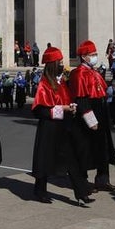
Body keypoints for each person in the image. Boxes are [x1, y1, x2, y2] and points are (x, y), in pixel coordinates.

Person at [30, 46, 92, 206]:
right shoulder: (44, 84)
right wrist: (61, 109)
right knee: (44, 160)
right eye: (60, 62)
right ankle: (40, 190)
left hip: (64, 127)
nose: (62, 65)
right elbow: (40, 110)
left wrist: (71, 107)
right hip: (49, 128)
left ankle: (82, 192)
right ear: (52, 64)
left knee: (72, 159)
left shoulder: (63, 82)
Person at [70, 40, 115, 193]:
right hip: (88, 115)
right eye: (92, 55)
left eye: (95, 54)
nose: (95, 57)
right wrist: (90, 120)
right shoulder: (78, 74)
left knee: (103, 147)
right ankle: (83, 182)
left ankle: (103, 180)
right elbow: (81, 99)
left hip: (101, 112)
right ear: (84, 57)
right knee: (85, 149)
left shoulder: (94, 72)